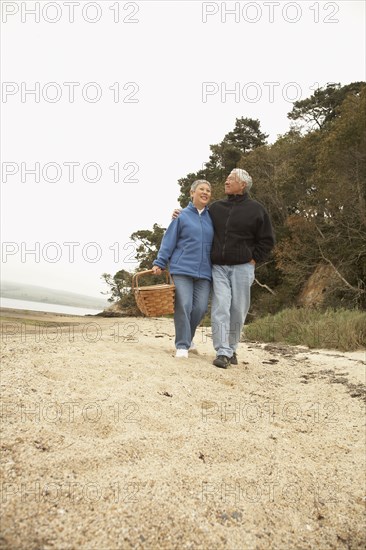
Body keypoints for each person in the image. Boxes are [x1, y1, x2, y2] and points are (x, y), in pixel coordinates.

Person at [173, 168, 275, 368]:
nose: (226, 182)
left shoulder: (257, 209)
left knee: (238, 310)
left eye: (230, 179)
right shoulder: (217, 208)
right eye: (227, 178)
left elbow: (267, 240)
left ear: (242, 185)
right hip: (218, 267)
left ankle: (231, 348)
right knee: (220, 307)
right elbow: (197, 214)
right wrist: (181, 211)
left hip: (243, 268)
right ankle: (222, 351)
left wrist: (254, 259)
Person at [152, 180, 214, 358]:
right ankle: (182, 345)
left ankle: (188, 338)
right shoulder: (181, 216)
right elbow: (168, 240)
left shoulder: (213, 218)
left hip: (204, 272)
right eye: (201, 189)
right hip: (181, 269)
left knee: (200, 308)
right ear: (192, 193)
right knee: (184, 305)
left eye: (208, 190)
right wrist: (160, 262)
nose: (205, 192)